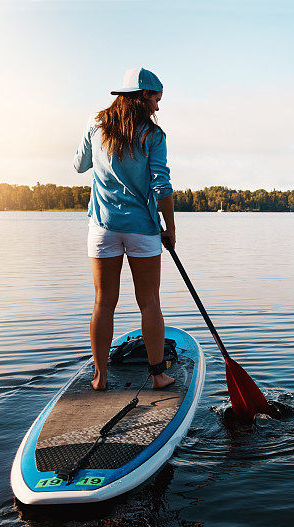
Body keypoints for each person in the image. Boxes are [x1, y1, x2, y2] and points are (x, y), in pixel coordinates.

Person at [73, 67, 175, 391]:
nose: (158, 108)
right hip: (143, 228)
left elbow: (79, 165)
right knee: (150, 302)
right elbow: (162, 186)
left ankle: (100, 378)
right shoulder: (154, 136)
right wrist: (170, 228)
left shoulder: (96, 124)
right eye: (156, 100)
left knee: (103, 301)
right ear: (143, 96)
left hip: (103, 227)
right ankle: (159, 375)